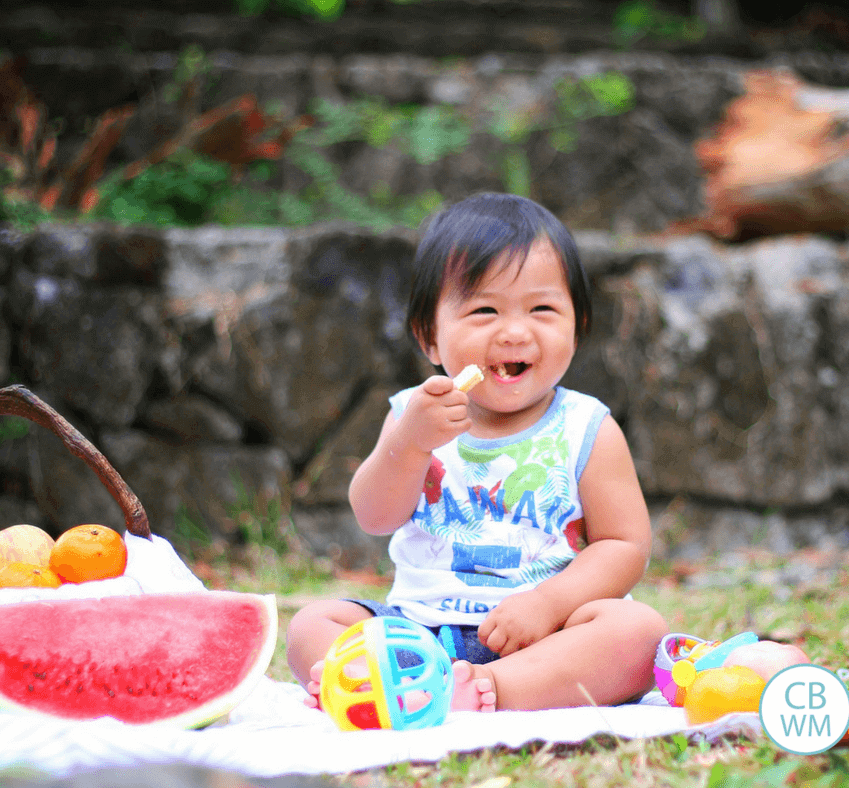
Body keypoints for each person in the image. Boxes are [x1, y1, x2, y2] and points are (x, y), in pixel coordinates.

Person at [286, 192, 669, 712]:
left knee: (637, 631)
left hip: (544, 635)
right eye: (485, 309)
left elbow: (624, 545)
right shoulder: (412, 415)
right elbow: (374, 516)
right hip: (417, 632)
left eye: (542, 309)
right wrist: (409, 445)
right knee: (313, 625)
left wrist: (547, 604)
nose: (514, 331)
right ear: (431, 339)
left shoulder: (587, 428)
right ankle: (396, 685)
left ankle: (494, 690)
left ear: (576, 329)